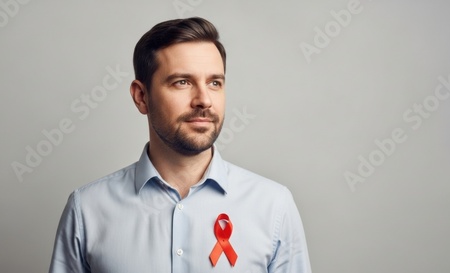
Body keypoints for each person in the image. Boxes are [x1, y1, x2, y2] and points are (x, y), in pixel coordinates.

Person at [49, 17, 311, 273]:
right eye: (182, 82)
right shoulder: (87, 209)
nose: (204, 100)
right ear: (141, 97)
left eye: (214, 83)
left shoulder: (273, 205)